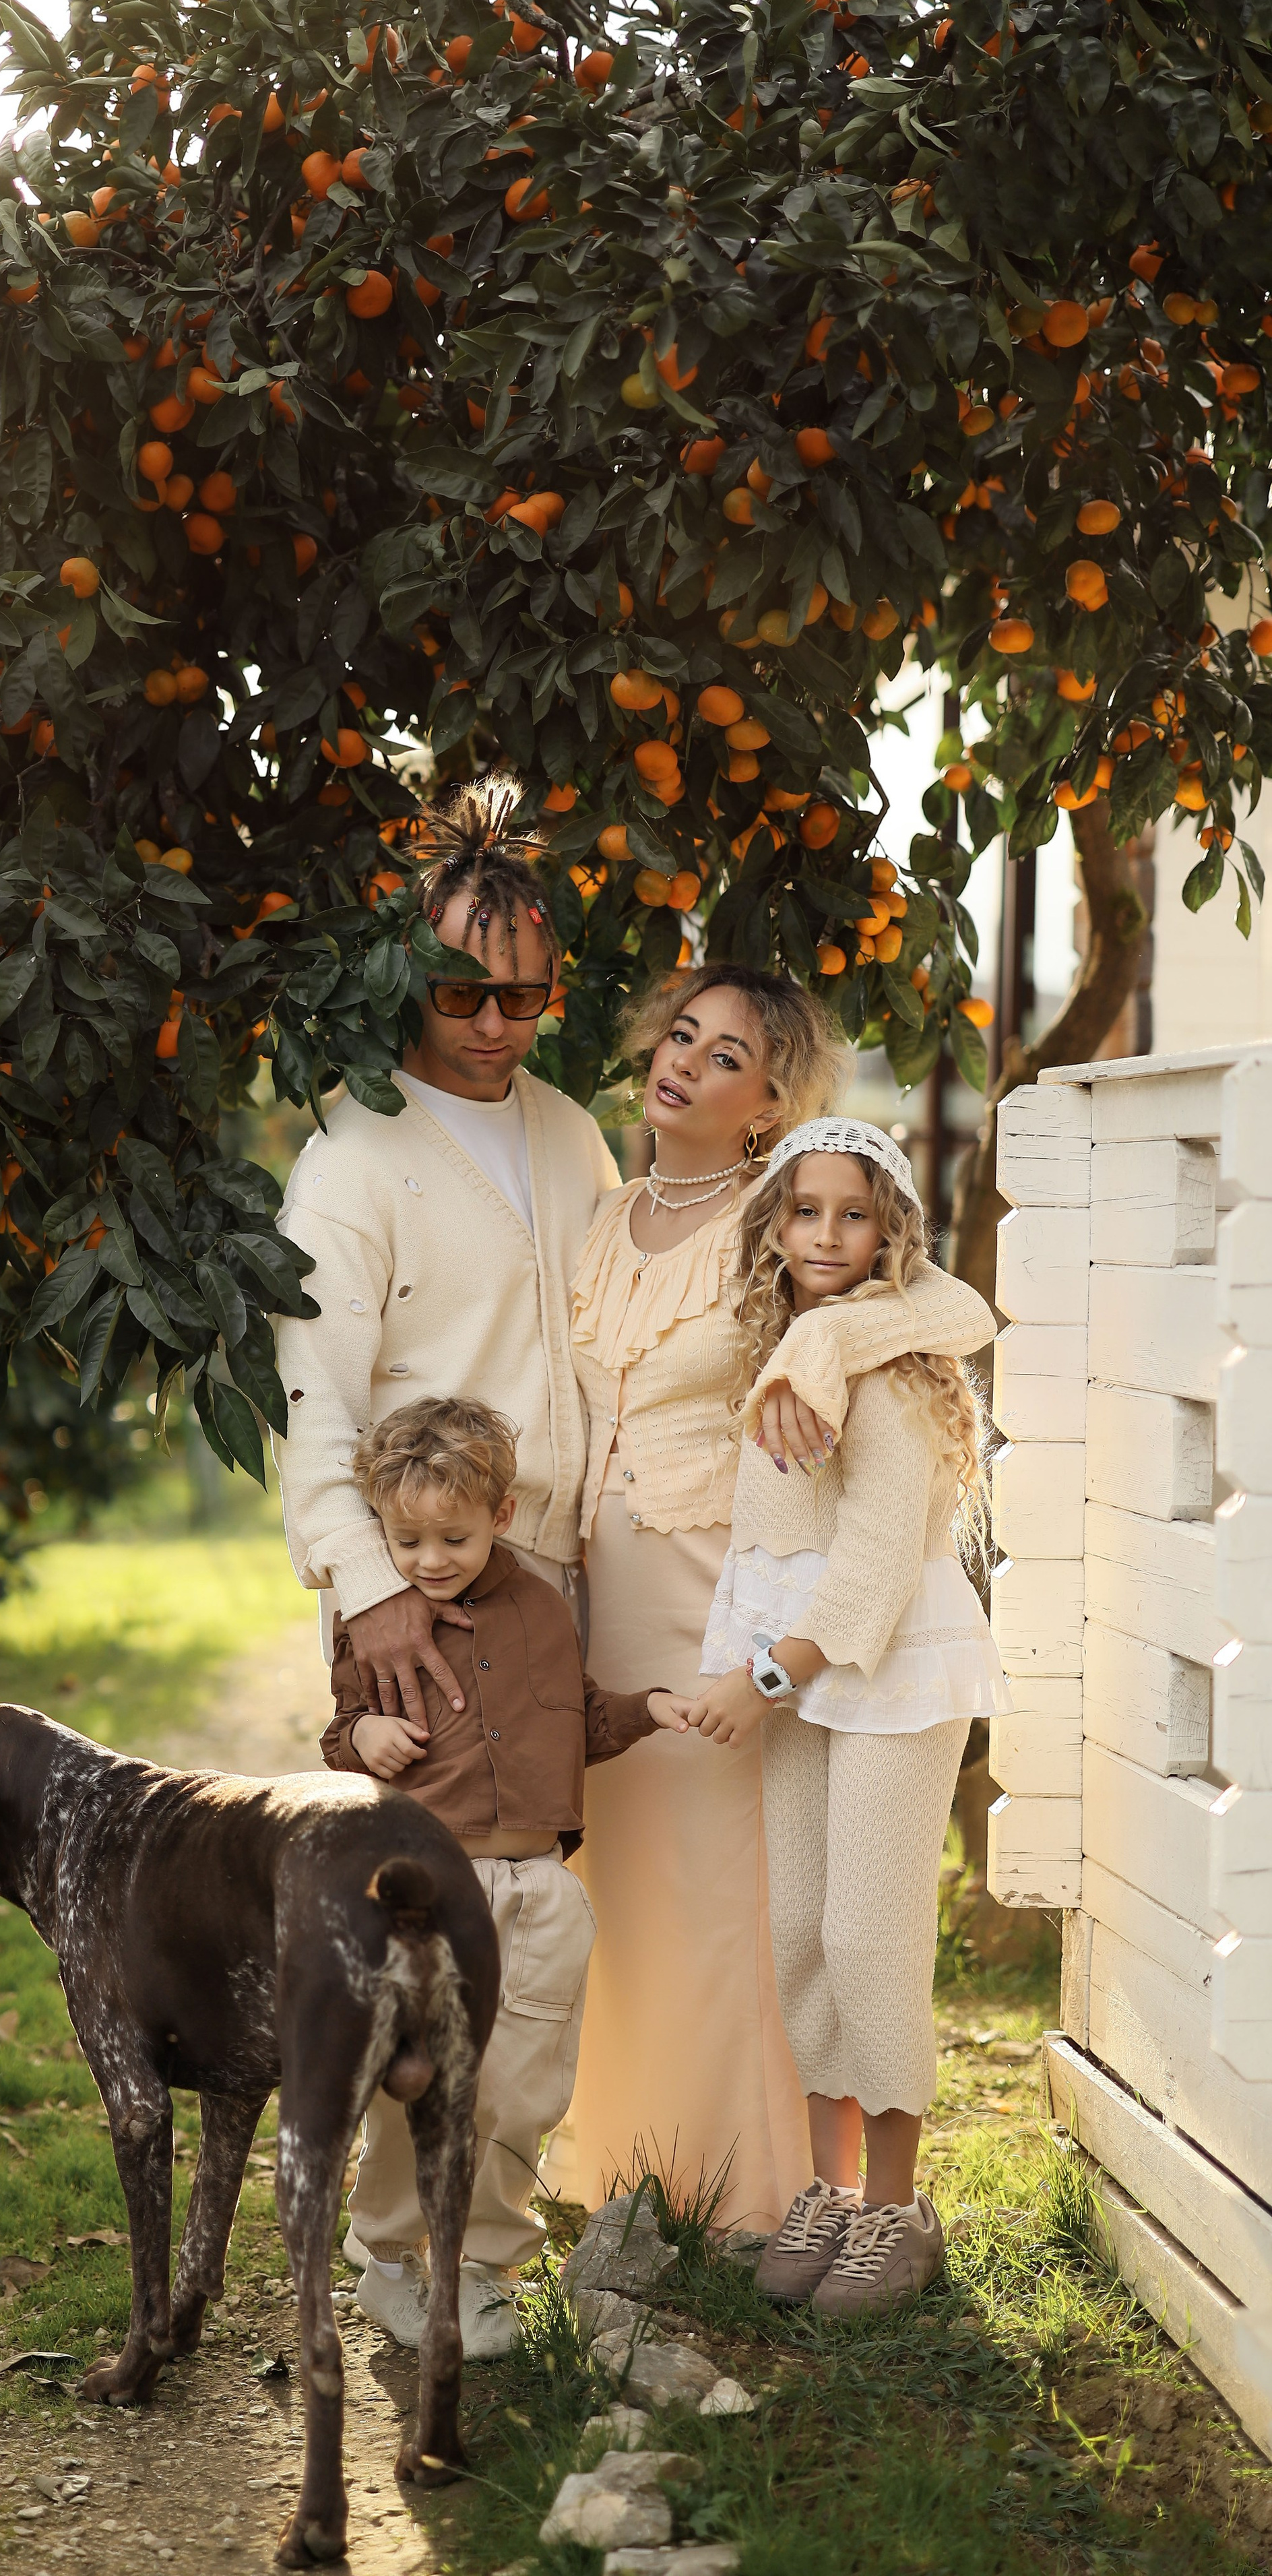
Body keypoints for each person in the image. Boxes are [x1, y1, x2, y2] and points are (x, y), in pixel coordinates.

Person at [559, 966, 996, 2235]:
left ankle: (823, 2198)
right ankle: (686, 2173)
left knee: (802, 1913)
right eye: (678, 1032)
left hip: (764, 1602)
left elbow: (944, 1307)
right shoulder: (610, 1214)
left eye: (727, 1054)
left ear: (771, 1103)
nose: (684, 1060)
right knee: (705, 1904)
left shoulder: (796, 1218)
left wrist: (829, 1340)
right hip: (658, 1589)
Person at [691, 1119, 1007, 2314]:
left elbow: (874, 1571)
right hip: (802, 1672)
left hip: (884, 1674)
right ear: (774, 1225)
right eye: (805, 1212)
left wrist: (755, 1680)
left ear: (891, 1234)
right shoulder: (787, 1356)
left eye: (855, 1214)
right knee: (803, 1938)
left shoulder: (891, 1370)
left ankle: (895, 2210)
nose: (827, 1236)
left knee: (873, 1940)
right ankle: (825, 2191)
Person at [319, 1395, 695, 2356]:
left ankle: (482, 2265)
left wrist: (648, 1707)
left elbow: (576, 1719)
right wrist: (367, 1733)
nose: (430, 1559)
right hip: (431, 1893)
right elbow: (336, 1733)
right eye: (406, 1540)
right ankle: (393, 2262)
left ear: (499, 1514)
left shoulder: (542, 1609)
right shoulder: (377, 1624)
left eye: (452, 1535)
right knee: (422, 2077)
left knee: (523, 2087)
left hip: (541, 1889)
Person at [273, 781, 620, 1718]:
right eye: (462, 993)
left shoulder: (573, 1133)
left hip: (568, 1572)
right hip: (420, 1587)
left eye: (523, 997)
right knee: (428, 1858)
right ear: (410, 977)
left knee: (545, 1856)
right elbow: (309, 1398)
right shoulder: (351, 1161)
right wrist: (369, 1589)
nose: (495, 1026)